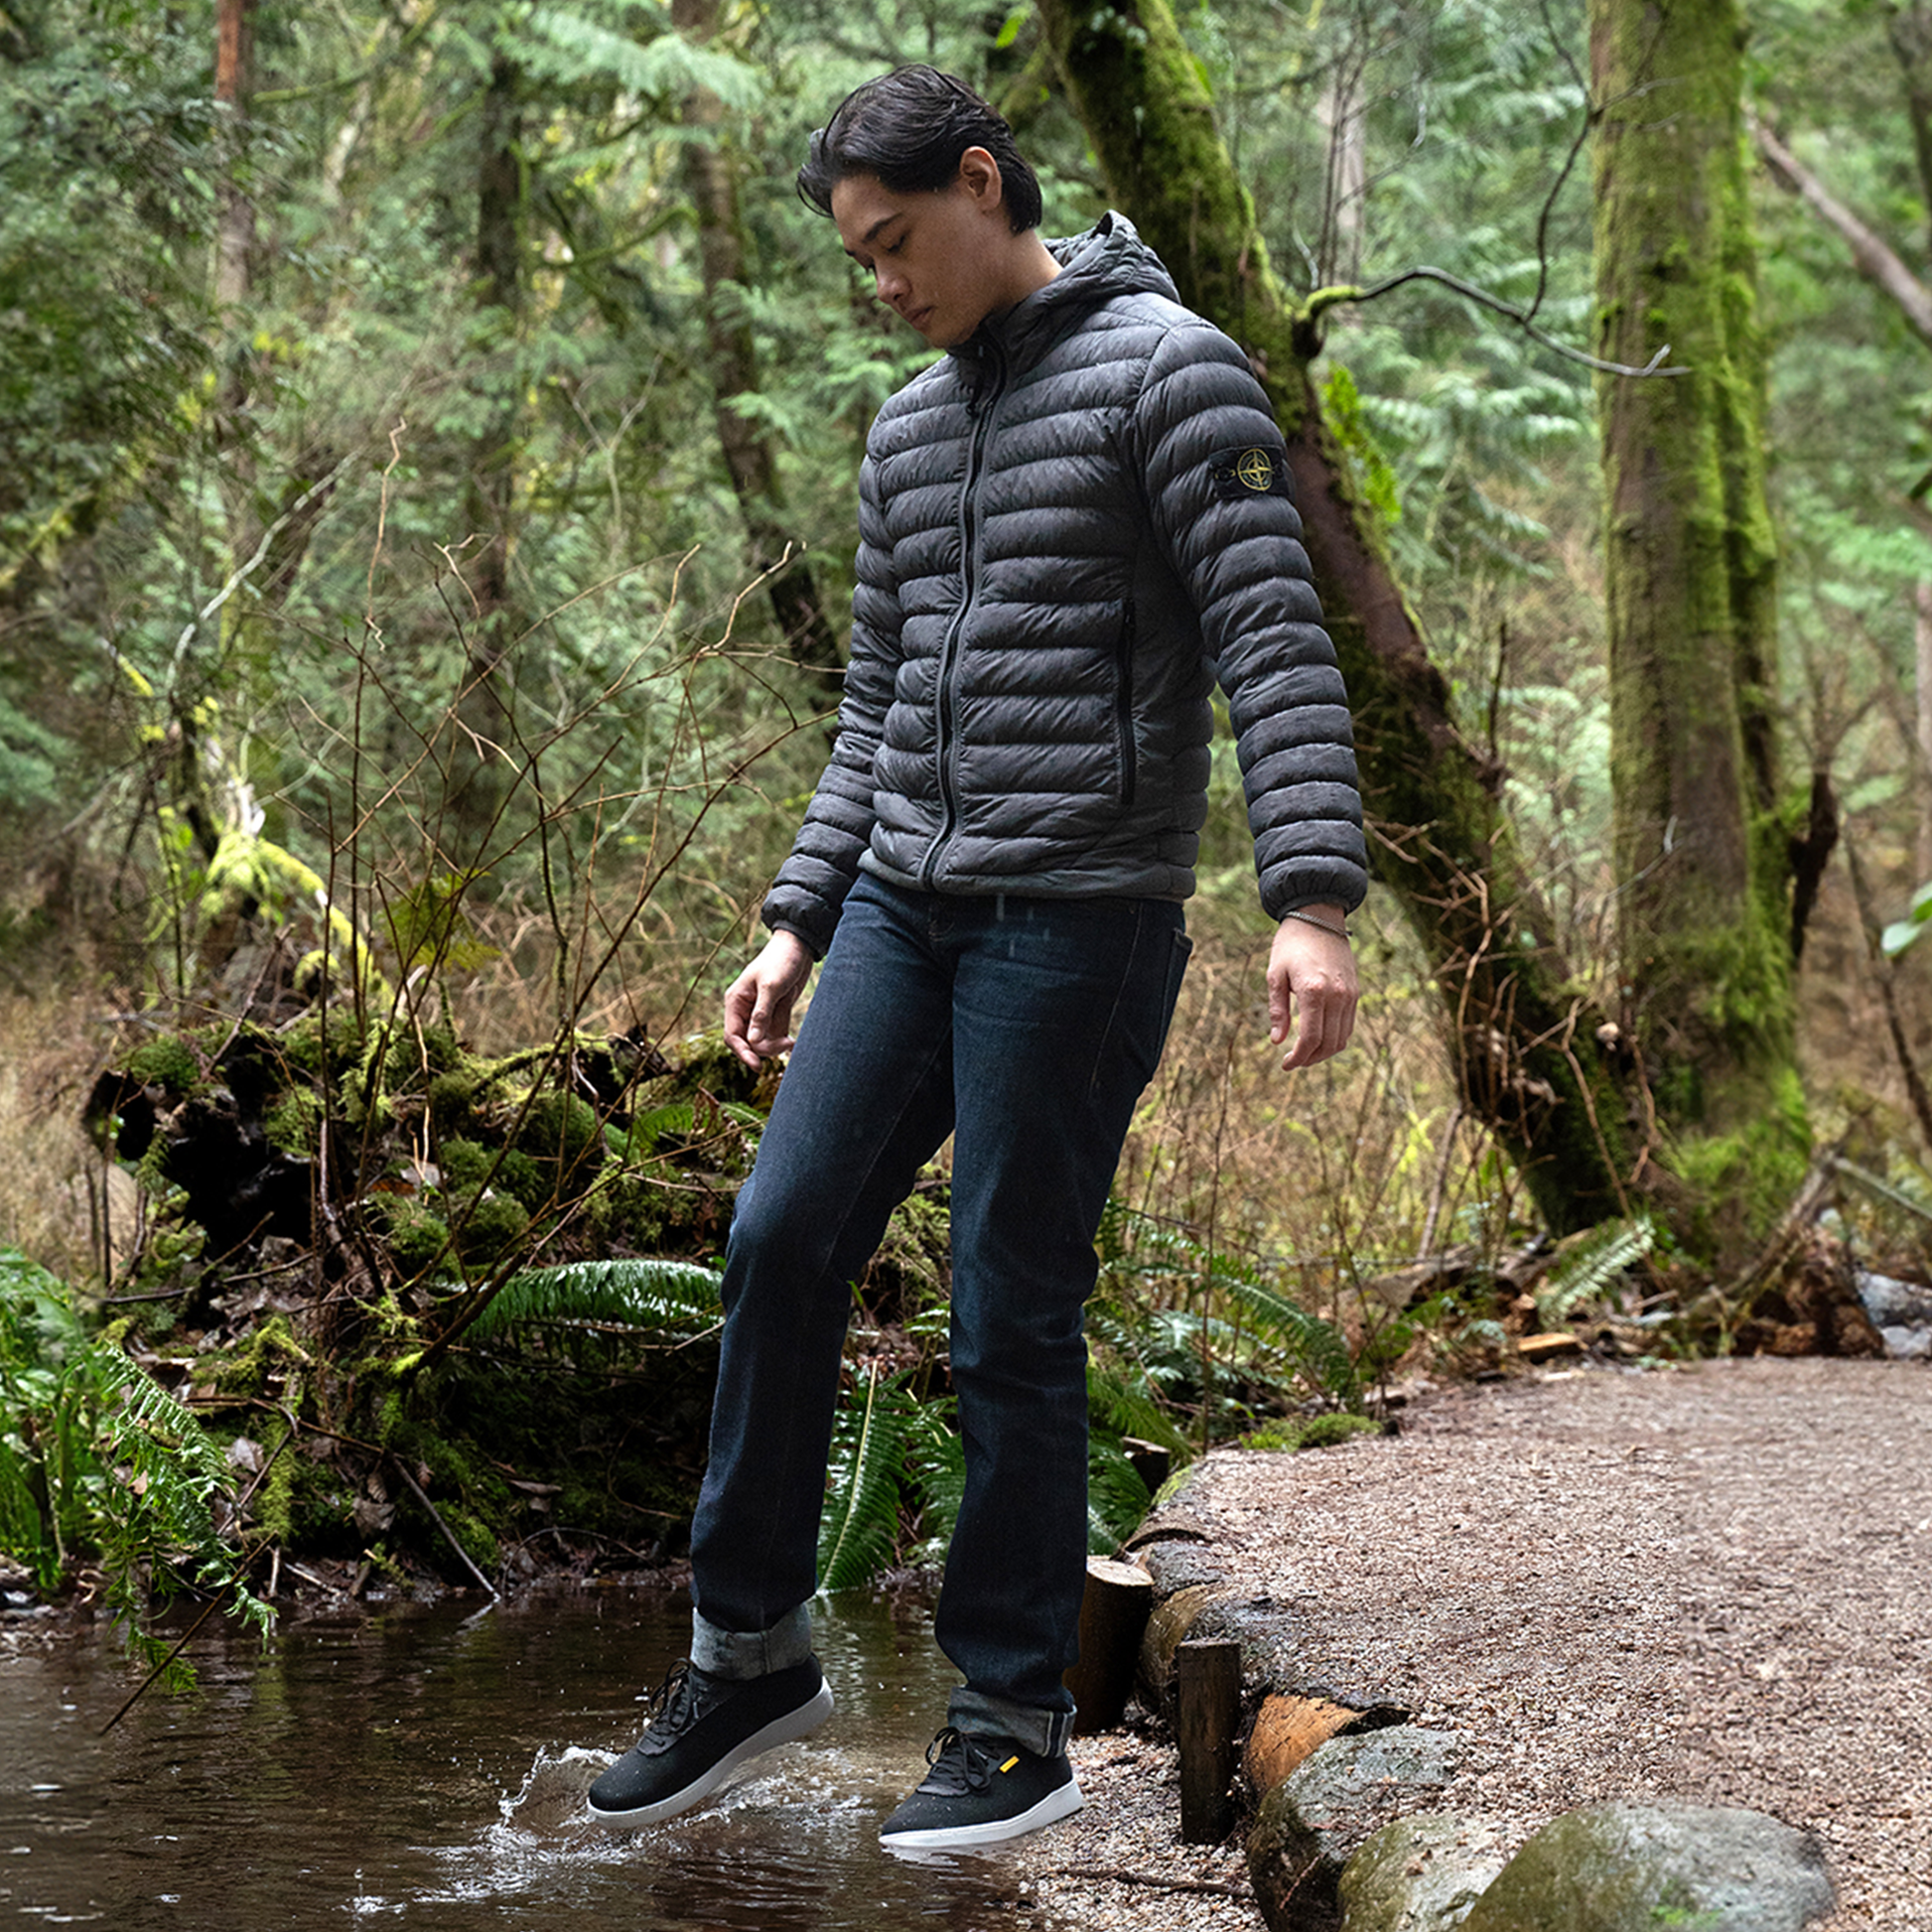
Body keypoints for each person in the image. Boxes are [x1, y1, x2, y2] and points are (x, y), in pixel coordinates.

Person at [587, 64, 1366, 1853]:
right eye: (857, 262)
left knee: (1009, 1306)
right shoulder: (908, 427)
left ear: (982, 179)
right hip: (900, 912)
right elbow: (870, 709)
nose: (882, 284)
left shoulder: (1172, 373)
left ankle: (1009, 1714)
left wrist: (1308, 900)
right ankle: (749, 1651)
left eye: (894, 244)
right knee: (779, 1237)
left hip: (1075, 923)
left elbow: (1272, 638)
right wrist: (796, 912)